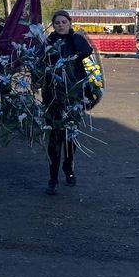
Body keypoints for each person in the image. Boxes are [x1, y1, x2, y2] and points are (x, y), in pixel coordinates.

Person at [38, 10, 96, 195]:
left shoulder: (75, 40)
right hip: (53, 96)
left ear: (69, 23)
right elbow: (40, 63)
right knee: (54, 138)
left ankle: (68, 167)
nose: (60, 25)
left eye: (64, 22)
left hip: (73, 95)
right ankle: (52, 177)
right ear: (53, 25)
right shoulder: (48, 42)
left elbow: (87, 51)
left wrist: (74, 36)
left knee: (70, 136)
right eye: (57, 23)